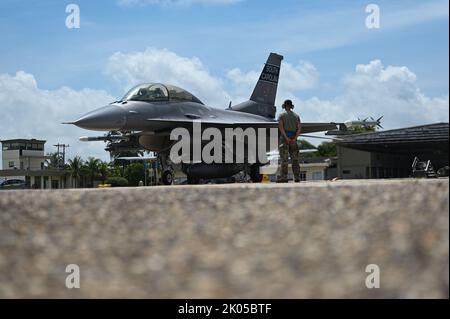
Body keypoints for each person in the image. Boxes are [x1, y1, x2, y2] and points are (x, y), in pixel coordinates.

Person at [277, 99, 302, 182]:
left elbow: (281, 127)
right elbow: (299, 128)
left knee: (284, 160)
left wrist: (286, 138)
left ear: (284, 106)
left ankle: (284, 177)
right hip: (294, 139)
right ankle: (297, 177)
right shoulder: (296, 116)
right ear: (291, 106)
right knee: (295, 159)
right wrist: (294, 138)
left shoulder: (281, 115)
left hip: (285, 139)